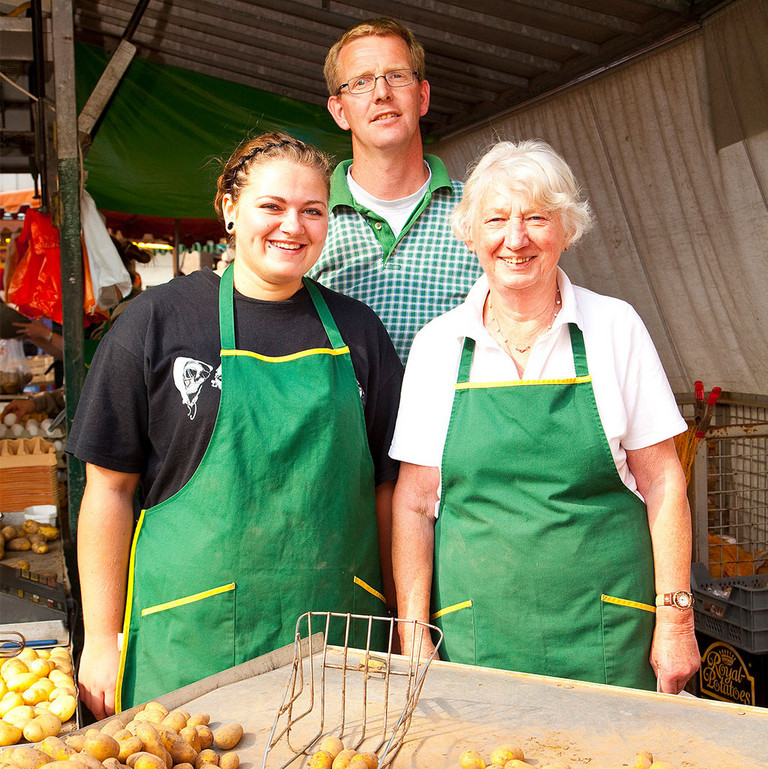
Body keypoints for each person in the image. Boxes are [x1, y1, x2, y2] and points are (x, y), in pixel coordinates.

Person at [69, 132, 404, 718]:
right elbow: (108, 490)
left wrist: (400, 617)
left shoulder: (359, 331)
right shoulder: (154, 323)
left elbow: (387, 488)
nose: (292, 227)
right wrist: (100, 638)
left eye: (312, 210)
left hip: (339, 642)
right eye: (271, 207)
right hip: (194, 645)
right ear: (228, 207)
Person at [390, 140, 700, 694]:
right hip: (476, 637)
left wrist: (677, 618)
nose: (516, 239)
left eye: (536, 217)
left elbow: (664, 481)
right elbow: (413, 503)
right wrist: (413, 630)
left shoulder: (614, 327)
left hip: (609, 635)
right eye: (497, 219)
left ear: (566, 229)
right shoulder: (436, 346)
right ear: (471, 233)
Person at [309, 18, 482, 361]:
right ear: (339, 111)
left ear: (422, 97)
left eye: (397, 76)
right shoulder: (307, 218)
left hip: (454, 414)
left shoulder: (484, 211)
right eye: (361, 82)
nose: (382, 92)